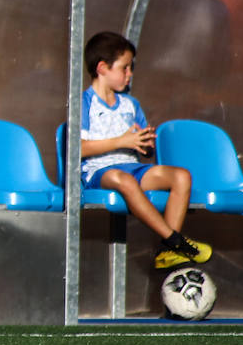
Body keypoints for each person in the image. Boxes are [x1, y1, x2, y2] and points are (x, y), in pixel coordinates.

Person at [79, 31, 212, 270]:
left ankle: (167, 251)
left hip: (132, 167)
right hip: (99, 170)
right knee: (124, 180)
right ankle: (175, 240)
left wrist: (145, 144)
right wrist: (122, 141)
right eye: (124, 68)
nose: (129, 74)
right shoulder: (84, 103)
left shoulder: (131, 104)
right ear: (102, 68)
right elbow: (79, 148)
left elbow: (140, 145)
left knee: (181, 176)